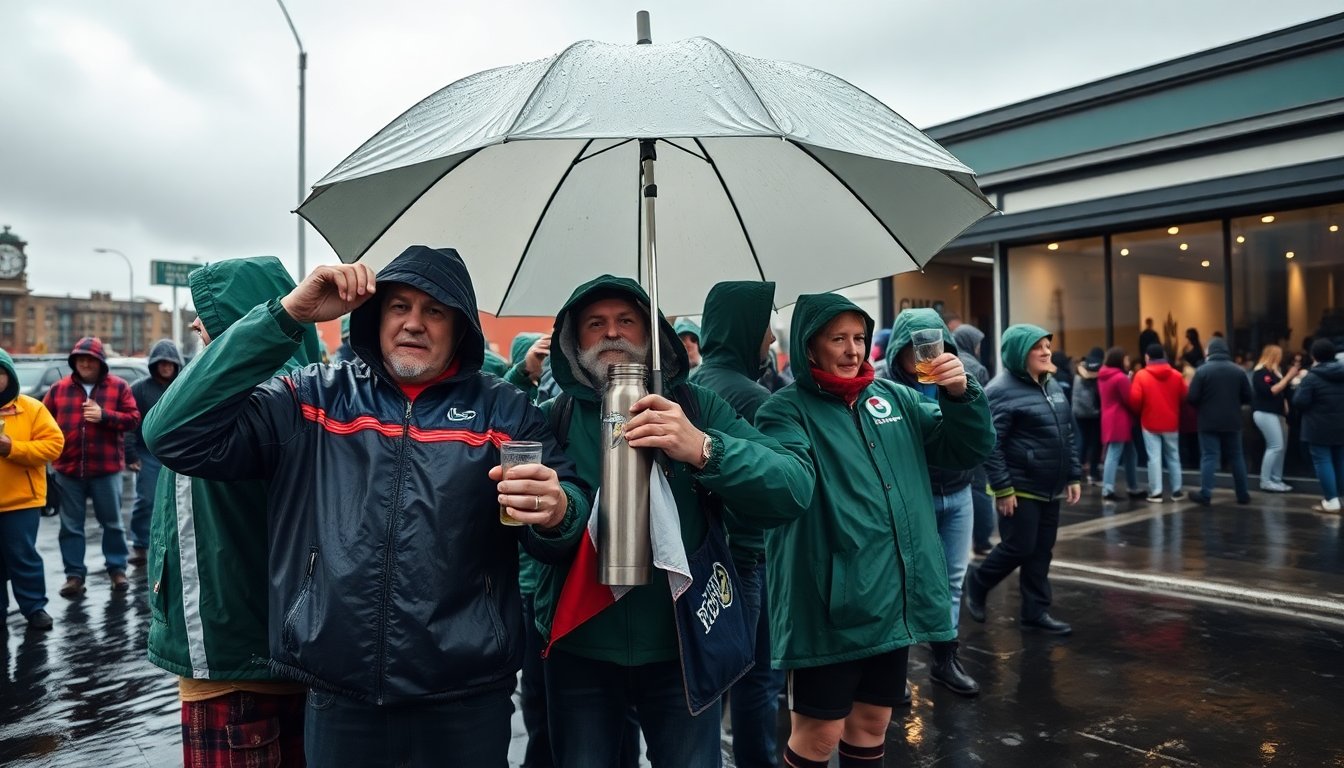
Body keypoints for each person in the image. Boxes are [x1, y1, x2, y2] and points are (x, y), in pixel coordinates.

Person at [143, 247, 591, 767]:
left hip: (466, 698)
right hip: (341, 699)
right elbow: (172, 435)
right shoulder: (311, 398)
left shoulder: (506, 410)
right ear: (376, 317)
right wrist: (285, 315)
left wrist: (559, 510)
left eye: (435, 311)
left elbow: (566, 519)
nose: (414, 324)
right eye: (399, 307)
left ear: (461, 327)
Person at [521, 275, 810, 768]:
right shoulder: (553, 419)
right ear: (574, 341)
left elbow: (793, 487)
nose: (612, 333)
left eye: (626, 321)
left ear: (650, 334)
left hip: (681, 646)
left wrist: (703, 448)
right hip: (581, 646)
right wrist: (550, 517)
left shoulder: (696, 407)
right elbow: (532, 534)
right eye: (596, 324)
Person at [746, 294, 992, 768]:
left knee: (873, 724)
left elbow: (964, 448)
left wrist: (962, 396)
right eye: (837, 339)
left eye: (859, 338)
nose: (853, 350)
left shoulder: (894, 397)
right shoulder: (784, 411)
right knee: (818, 736)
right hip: (829, 607)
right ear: (808, 346)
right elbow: (787, 483)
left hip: (891, 600)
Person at [145, 258, 320, 768]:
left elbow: (166, 432)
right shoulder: (232, 388)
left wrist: (274, 322)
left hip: (239, 663)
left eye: (209, 312)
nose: (196, 324)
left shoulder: (267, 395)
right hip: (240, 656)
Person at [690, 280, 786, 767]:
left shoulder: (697, 382)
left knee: (714, 674)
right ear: (746, 329)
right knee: (757, 678)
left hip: (707, 554)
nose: (770, 340)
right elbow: (774, 483)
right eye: (764, 326)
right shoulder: (752, 396)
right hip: (748, 552)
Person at [884, 309, 987, 698]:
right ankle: (894, 671)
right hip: (916, 496)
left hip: (958, 492)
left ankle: (945, 659)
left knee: (952, 580)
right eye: (916, 347)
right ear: (899, 351)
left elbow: (979, 433)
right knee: (904, 581)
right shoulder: (885, 388)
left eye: (937, 344)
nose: (927, 354)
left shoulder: (959, 378)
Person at [965, 325, 1080, 637]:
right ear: (1019, 353)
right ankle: (978, 581)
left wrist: (1073, 474)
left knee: (1042, 550)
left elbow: (1066, 433)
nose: (1046, 352)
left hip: (1050, 486)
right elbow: (992, 444)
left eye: (1047, 346)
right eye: (1037, 347)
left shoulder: (1051, 384)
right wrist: (1003, 488)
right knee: (1019, 546)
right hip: (1019, 486)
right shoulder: (1000, 390)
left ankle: (1035, 612)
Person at [43, 335, 141, 597]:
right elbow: (43, 424)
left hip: (106, 470)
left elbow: (133, 419)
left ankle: (117, 571)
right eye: (80, 359)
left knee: (112, 523)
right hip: (67, 470)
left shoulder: (119, 387)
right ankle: (74, 576)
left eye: (91, 359)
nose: (85, 363)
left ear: (100, 362)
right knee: (71, 526)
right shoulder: (58, 389)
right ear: (74, 361)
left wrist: (104, 415)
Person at [0, 347, 65, 631]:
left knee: (23, 557)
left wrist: (12, 448)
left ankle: (34, 607)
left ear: (9, 376)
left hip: (21, 501)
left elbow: (54, 445)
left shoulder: (32, 408)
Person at [123, 338, 184, 566]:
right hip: (147, 454)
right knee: (146, 499)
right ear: (154, 364)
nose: (166, 367)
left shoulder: (183, 385)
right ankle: (140, 545)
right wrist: (131, 455)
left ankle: (173, 544)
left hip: (178, 454)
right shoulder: (138, 389)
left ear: (176, 364)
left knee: (177, 501)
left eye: (170, 363)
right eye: (162, 363)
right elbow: (130, 424)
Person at [1187, 337, 1253, 506]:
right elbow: (1248, 396)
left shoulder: (1202, 371)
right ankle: (1242, 494)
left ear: (1209, 351)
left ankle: (1206, 493)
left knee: (1209, 456)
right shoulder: (1238, 371)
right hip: (1233, 420)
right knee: (1237, 456)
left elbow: (1192, 397)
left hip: (1208, 421)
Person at [952, 324, 995, 555]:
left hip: (950, 436)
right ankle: (983, 539)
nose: (979, 348)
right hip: (971, 434)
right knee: (979, 486)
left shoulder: (947, 361)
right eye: (977, 343)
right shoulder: (975, 368)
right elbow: (983, 407)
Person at [1130, 345, 1187, 502]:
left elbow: (1135, 401)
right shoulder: (1176, 375)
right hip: (1171, 422)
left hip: (1149, 422)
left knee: (1154, 457)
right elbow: (1184, 396)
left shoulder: (1141, 376)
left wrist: (1140, 412)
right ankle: (1177, 491)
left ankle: (1156, 492)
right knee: (1174, 456)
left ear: (1147, 357)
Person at [1293, 339, 1344, 513]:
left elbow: (1299, 402)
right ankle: (1340, 498)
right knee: (1340, 461)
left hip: (1318, 427)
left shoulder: (1312, 377)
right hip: (1341, 425)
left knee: (1323, 461)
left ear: (1314, 355)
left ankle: (1331, 500)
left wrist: (1299, 384)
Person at [1251, 345, 1300, 493]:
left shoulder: (1273, 374)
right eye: (1278, 355)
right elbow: (1273, 390)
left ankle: (1276, 479)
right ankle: (1266, 481)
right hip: (1265, 413)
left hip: (1277, 414)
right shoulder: (1261, 373)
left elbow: (1278, 389)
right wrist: (1289, 376)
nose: (1280, 359)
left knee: (1280, 448)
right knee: (1275, 446)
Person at [1097, 348, 1145, 501]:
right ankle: (1109, 489)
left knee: (1128, 453)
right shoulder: (1120, 378)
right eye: (1126, 359)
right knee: (1116, 453)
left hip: (1109, 417)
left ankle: (1131, 487)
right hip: (1121, 419)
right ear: (1119, 360)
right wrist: (1129, 382)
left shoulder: (1103, 376)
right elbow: (1129, 399)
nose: (1128, 362)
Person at [1072, 347, 1105, 485]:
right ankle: (1093, 473)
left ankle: (1076, 473)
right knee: (1095, 443)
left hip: (1078, 413)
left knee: (1082, 442)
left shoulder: (1079, 370)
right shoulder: (1096, 371)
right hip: (1092, 413)